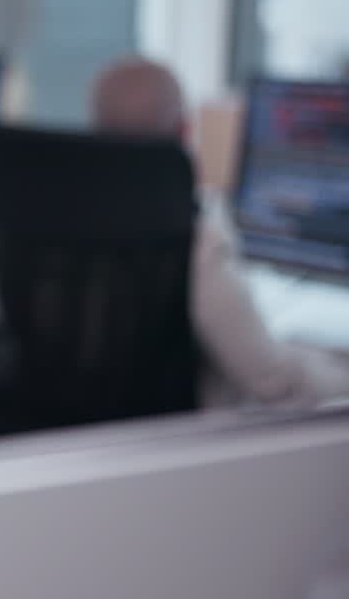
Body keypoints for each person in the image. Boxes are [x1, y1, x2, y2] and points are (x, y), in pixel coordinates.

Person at [91, 57, 349, 407]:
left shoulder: (54, 221)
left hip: (68, 441)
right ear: (185, 130)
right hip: (183, 446)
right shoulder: (194, 241)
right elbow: (274, 383)